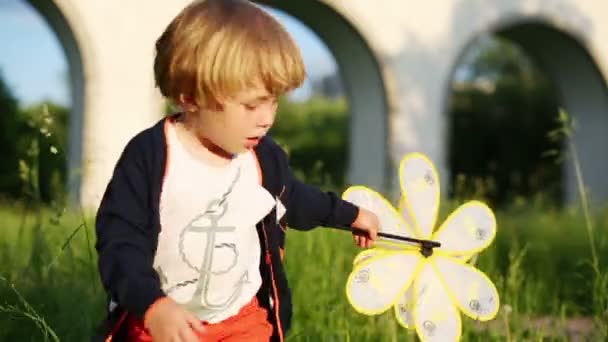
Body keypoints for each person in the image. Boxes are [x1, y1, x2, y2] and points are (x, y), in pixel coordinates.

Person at [93, 0, 379, 341]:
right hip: (165, 321)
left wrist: (349, 214)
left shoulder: (262, 158)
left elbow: (296, 198)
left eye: (273, 101)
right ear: (191, 97)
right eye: (252, 105)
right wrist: (152, 305)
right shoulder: (152, 157)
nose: (267, 118)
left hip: (242, 320)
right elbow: (120, 241)